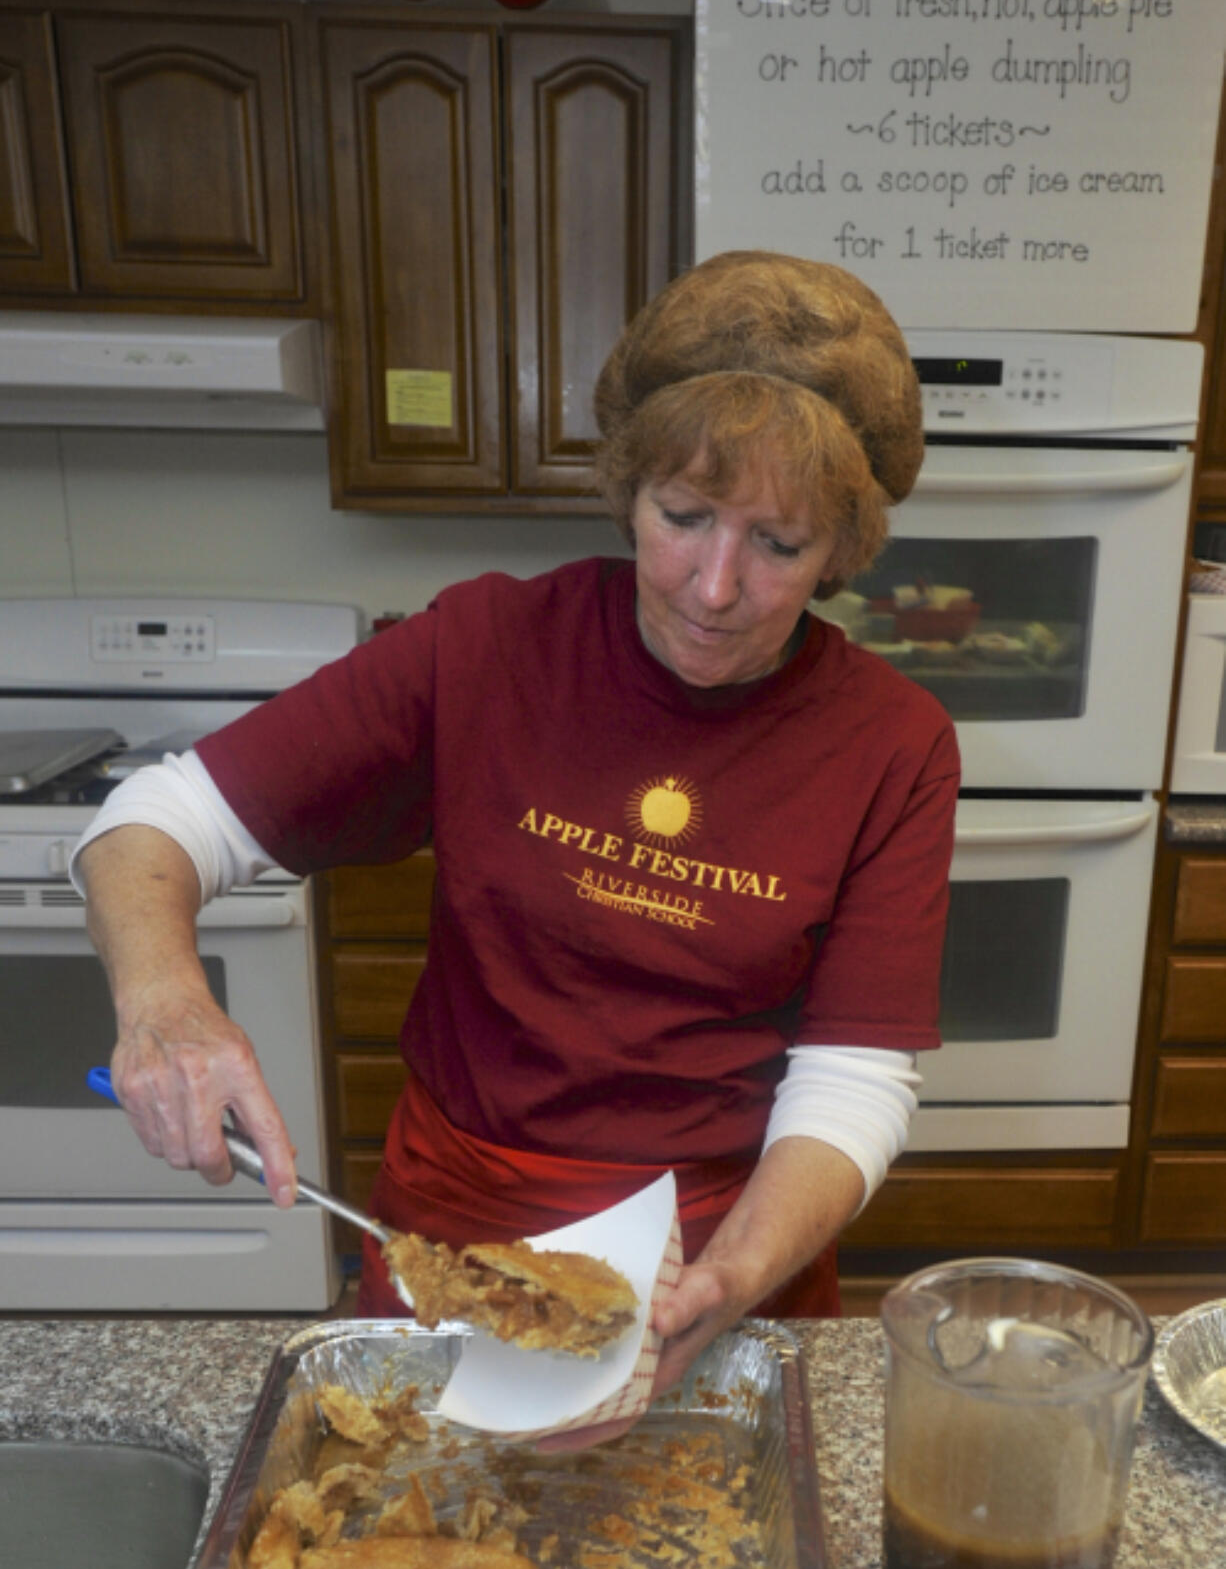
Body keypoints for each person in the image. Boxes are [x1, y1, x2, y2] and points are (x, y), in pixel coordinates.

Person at [75, 249, 960, 1408]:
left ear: (840, 551)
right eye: (682, 517)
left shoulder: (890, 743)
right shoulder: (484, 648)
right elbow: (156, 818)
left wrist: (733, 1274)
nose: (709, 586)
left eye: (776, 545)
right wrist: (167, 1006)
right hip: (462, 1238)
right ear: (626, 491)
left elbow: (851, 1078)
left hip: (722, 1250)